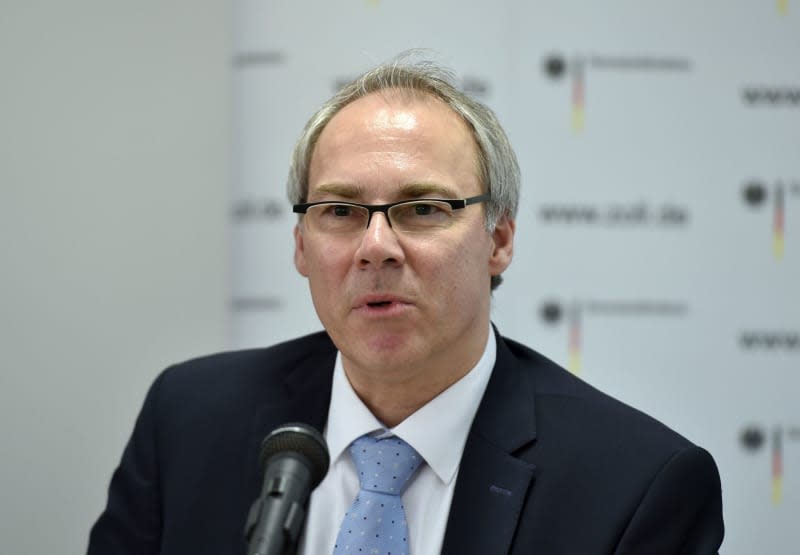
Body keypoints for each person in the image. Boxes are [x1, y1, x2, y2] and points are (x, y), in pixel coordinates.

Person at [88, 55, 724, 554]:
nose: (376, 247)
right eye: (339, 211)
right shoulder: (189, 421)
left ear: (498, 240)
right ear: (301, 247)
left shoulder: (637, 485)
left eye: (422, 208)